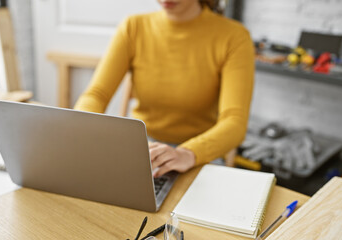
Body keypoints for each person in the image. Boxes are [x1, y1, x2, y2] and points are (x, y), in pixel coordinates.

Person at [74, 0, 255, 177]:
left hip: (199, 154)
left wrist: (187, 153)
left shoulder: (234, 37)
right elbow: (96, 94)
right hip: (142, 146)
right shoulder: (133, 27)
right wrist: (86, 126)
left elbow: (234, 122)